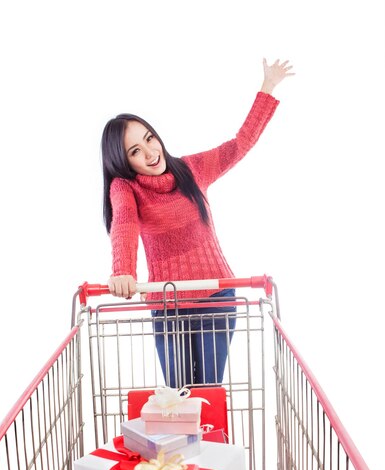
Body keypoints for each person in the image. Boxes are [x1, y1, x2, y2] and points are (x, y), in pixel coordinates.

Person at [101, 58, 294, 388]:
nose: (150, 152)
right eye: (135, 150)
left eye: (149, 138)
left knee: (208, 391)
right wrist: (123, 271)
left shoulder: (191, 169)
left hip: (218, 297)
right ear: (123, 161)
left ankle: (211, 440)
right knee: (177, 396)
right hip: (168, 302)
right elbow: (124, 225)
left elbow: (239, 145)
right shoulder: (125, 188)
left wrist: (267, 88)